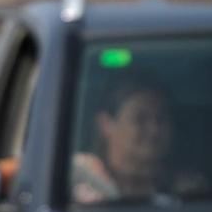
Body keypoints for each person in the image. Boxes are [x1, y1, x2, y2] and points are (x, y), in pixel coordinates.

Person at [70, 81, 204, 204]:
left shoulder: (188, 191)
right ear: (106, 124)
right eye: (140, 119)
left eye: (162, 118)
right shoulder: (78, 180)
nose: (155, 130)